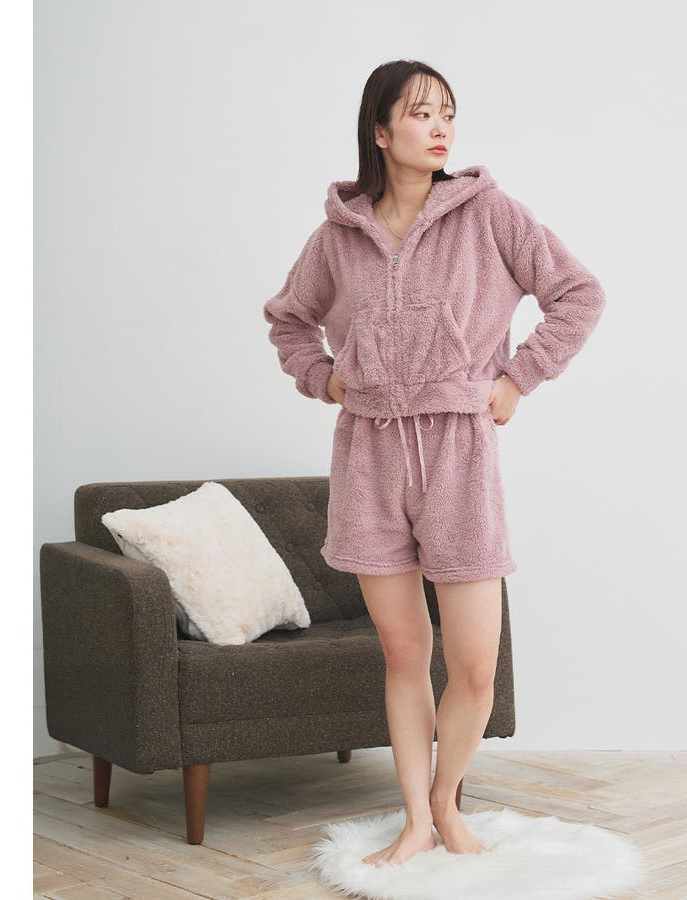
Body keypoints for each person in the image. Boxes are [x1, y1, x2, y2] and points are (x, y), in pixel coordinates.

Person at [263, 60, 606, 867]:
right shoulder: (336, 238)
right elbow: (288, 322)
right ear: (381, 132)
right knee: (404, 653)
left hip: (459, 451)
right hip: (370, 456)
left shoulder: (490, 213)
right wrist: (324, 378)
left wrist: (518, 377)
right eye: (420, 113)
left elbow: (578, 293)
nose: (440, 126)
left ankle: (447, 799)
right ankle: (415, 819)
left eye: (447, 111)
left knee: (476, 664)